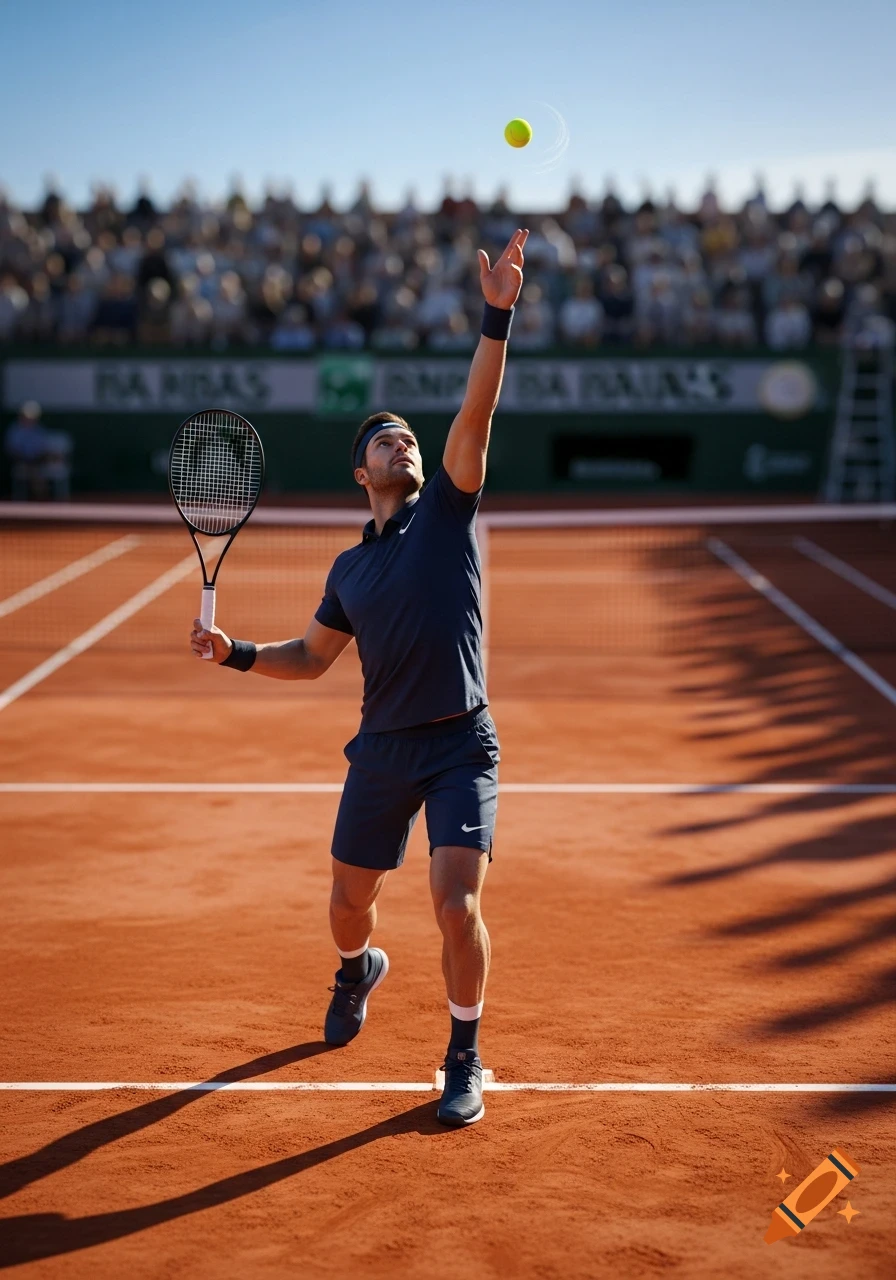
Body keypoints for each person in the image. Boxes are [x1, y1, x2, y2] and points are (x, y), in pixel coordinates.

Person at [190, 228, 529, 1128]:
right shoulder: (349, 569)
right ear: (360, 471)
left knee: (455, 904)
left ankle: (464, 1055)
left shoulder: (449, 511)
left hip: (462, 739)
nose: (402, 445)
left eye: (408, 438)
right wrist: (239, 655)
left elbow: (475, 416)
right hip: (381, 749)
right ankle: (357, 969)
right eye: (386, 440)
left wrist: (497, 313)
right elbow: (312, 659)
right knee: (349, 903)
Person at [4, 402, 50, 500]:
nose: (29, 419)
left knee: (37, 474)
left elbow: (43, 450)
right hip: (20, 463)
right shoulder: (15, 430)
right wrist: (24, 460)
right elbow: (12, 450)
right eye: (26, 416)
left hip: (37, 463)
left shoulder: (39, 430)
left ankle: (40, 504)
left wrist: (37, 460)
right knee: (33, 474)